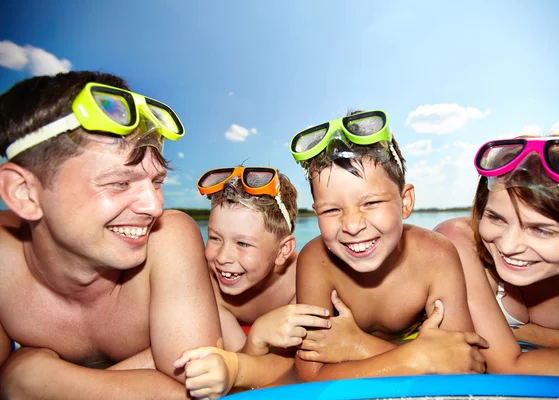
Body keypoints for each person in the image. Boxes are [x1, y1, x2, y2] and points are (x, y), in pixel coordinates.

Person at [0, 71, 223, 399]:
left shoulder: (168, 238)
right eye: (119, 183)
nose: (155, 206)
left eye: (156, 182)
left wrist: (36, 380)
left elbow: (193, 389)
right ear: (25, 194)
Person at [287, 110, 488, 382]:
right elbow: (309, 375)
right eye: (332, 210)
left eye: (370, 203)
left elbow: (466, 363)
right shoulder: (316, 261)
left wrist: (361, 346)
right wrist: (416, 358)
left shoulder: (435, 256)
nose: (352, 225)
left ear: (405, 202)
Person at [435, 135, 559, 376]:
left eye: (541, 230)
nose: (509, 246)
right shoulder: (458, 241)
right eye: (496, 218)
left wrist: (529, 334)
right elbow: (505, 366)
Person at [173, 166, 331, 396]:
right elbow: (239, 367)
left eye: (243, 244)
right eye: (215, 238)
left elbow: (300, 368)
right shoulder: (209, 287)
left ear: (282, 250)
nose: (223, 257)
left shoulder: (302, 277)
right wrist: (257, 336)